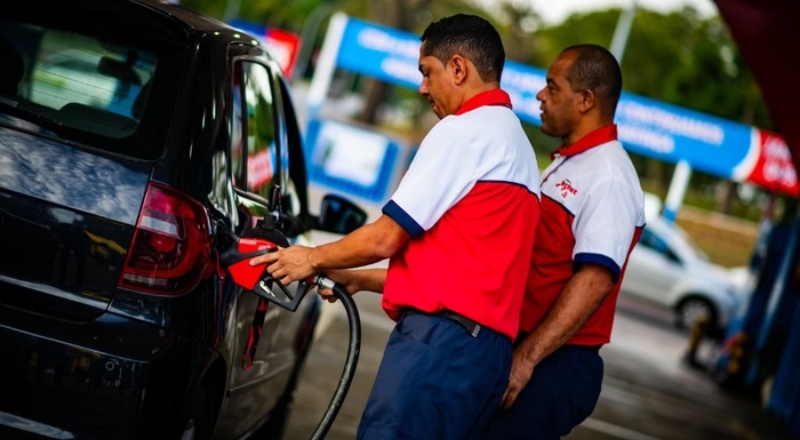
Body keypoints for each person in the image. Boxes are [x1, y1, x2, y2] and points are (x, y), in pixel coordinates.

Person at [250, 13, 541, 440]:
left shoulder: (463, 133)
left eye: (428, 72)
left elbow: (386, 236)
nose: (422, 87)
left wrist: (310, 258)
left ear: (458, 68)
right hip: (483, 356)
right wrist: (358, 278)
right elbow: (462, 275)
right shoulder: (518, 146)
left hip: (441, 349)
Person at [482, 44, 645, 440]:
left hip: (554, 362)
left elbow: (595, 280)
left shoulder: (609, 176)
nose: (541, 95)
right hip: (527, 348)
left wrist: (527, 358)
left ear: (586, 100)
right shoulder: (569, 161)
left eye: (552, 88)